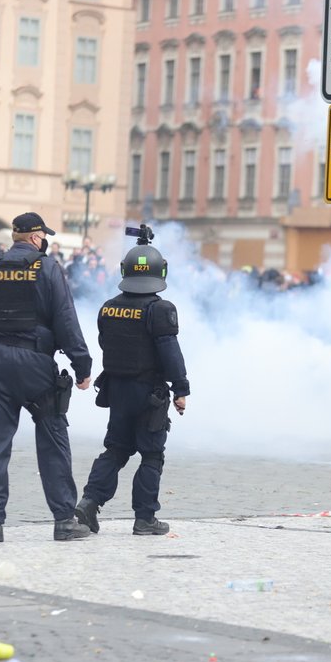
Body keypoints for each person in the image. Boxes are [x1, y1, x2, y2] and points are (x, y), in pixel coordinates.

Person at [0, 212, 93, 542]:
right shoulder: (48, 268)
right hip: (36, 363)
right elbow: (66, 322)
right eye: (45, 237)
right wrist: (82, 367)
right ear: (37, 237)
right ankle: (63, 521)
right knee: (53, 439)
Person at [75, 229, 190, 536]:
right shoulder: (160, 309)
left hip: (118, 390)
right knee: (151, 454)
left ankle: (89, 502)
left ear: (125, 271)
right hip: (149, 393)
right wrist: (181, 389)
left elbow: (105, 343)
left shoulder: (109, 306)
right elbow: (170, 353)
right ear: (160, 272)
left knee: (115, 449)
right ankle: (145, 518)